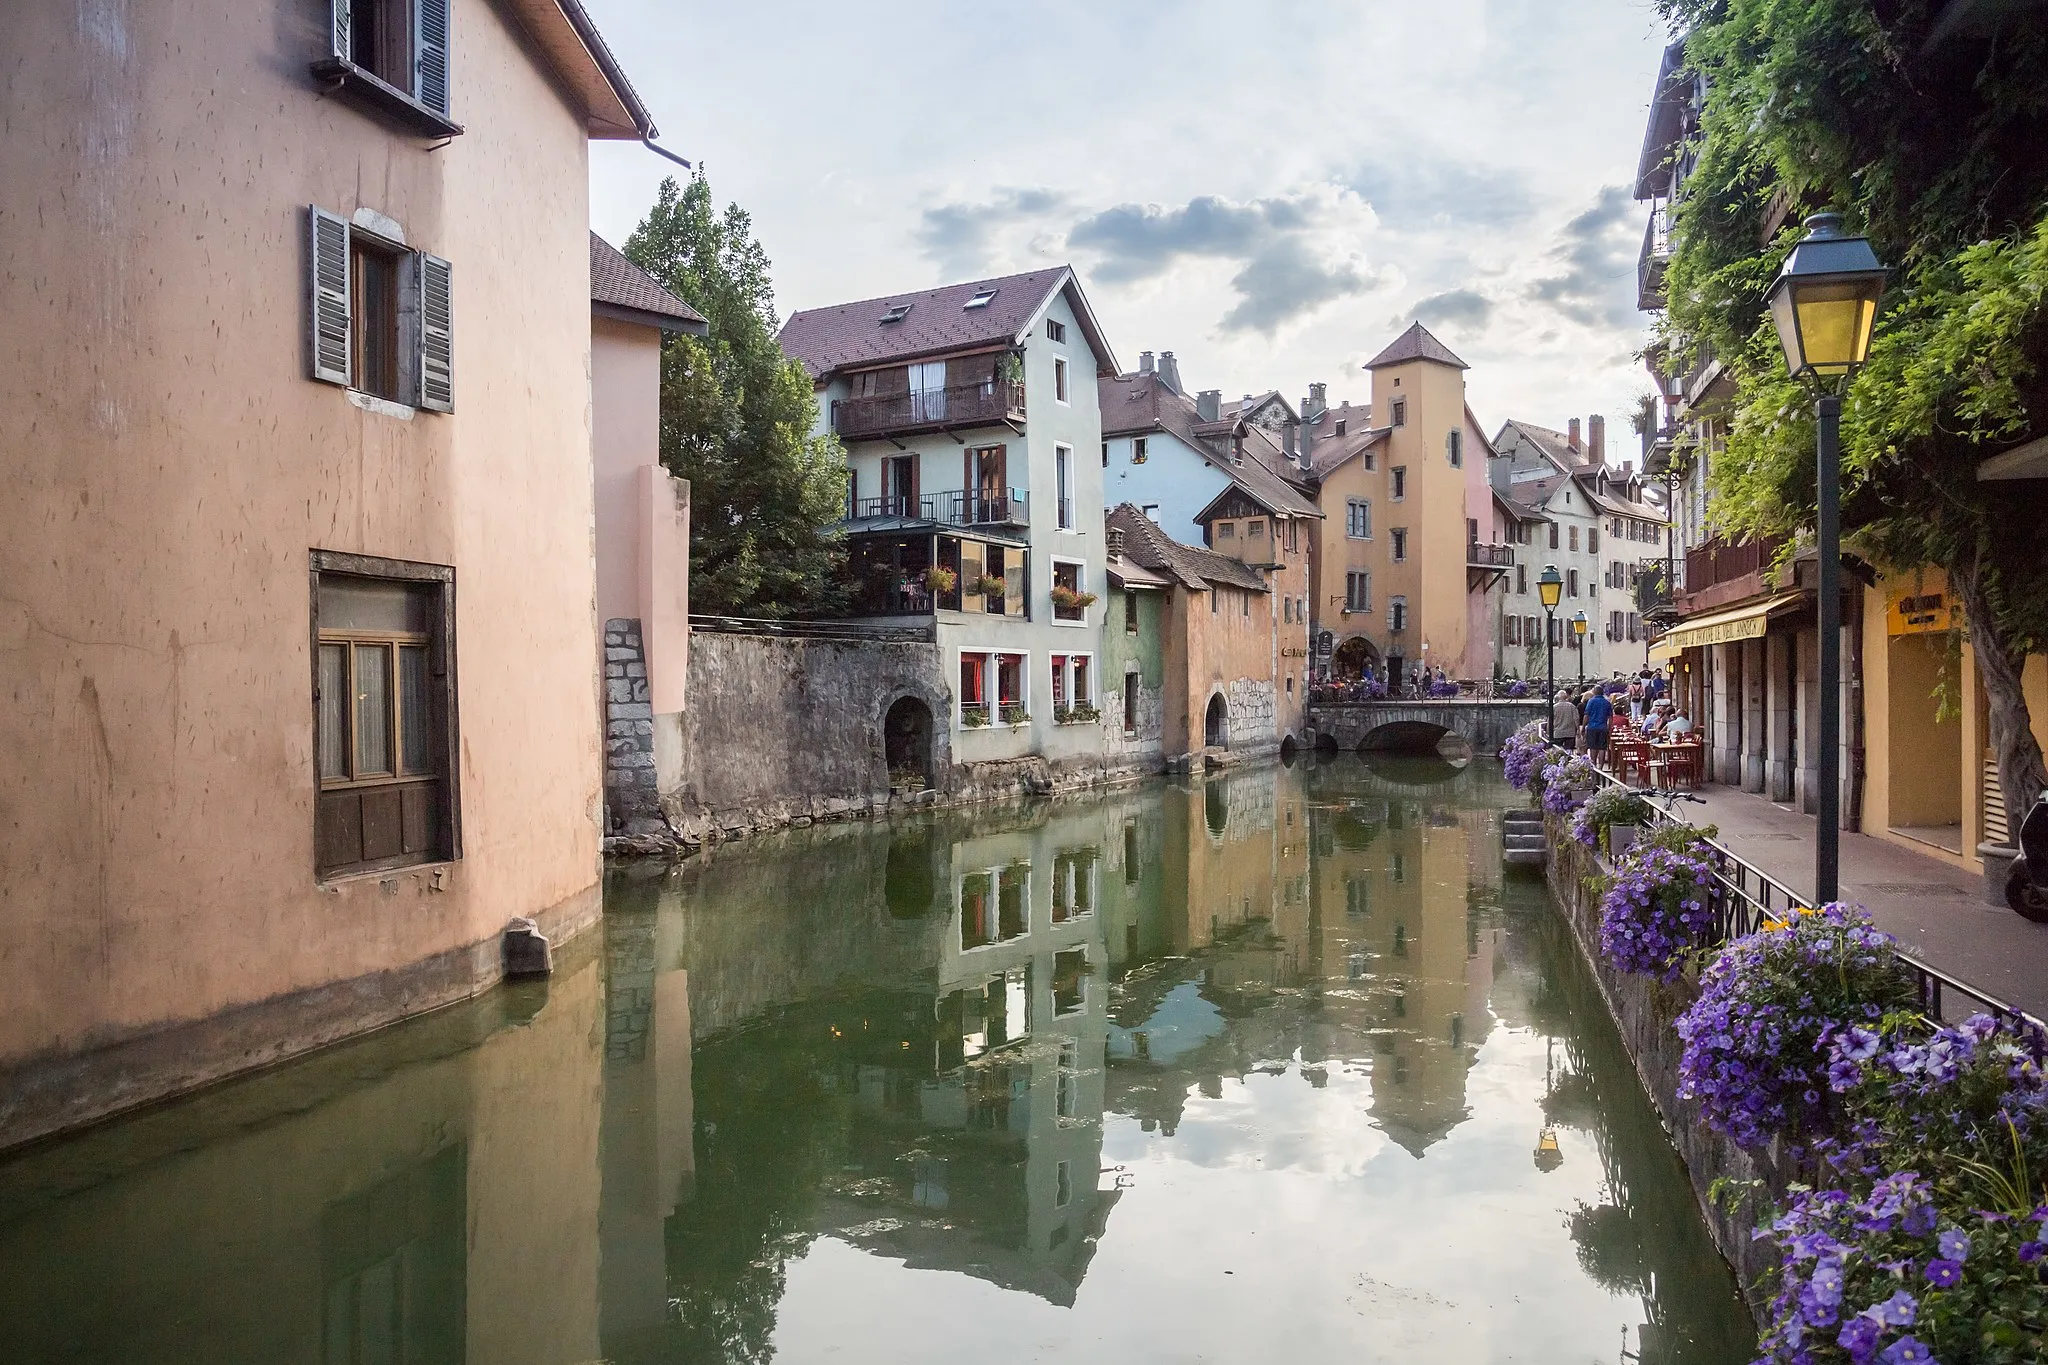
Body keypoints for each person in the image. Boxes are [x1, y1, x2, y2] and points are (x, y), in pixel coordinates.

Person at [1582, 684, 1614, 767]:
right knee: (1602, 748)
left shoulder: (1591, 701)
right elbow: (1610, 717)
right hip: (1603, 727)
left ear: (1595, 692)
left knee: (1593, 747)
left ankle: (1594, 765)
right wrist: (1610, 729)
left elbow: (1586, 715)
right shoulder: (1607, 702)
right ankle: (1601, 767)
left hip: (1592, 727)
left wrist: (1583, 726)